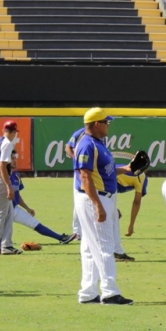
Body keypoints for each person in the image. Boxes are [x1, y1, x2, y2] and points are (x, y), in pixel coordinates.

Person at [73, 107, 133, 305]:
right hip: (95, 198)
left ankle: (88, 293)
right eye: (106, 122)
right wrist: (98, 205)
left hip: (99, 196)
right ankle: (109, 292)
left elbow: (103, 171)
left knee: (90, 248)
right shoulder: (87, 145)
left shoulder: (97, 143)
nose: (108, 125)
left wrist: (126, 169)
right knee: (105, 246)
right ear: (96, 124)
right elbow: (85, 176)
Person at [0, 150, 76, 246]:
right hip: (1, 209)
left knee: (35, 224)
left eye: (15, 158)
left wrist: (27, 208)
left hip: (14, 209)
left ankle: (61, 238)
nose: (14, 160)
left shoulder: (16, 175)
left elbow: (17, 195)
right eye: (12, 158)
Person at [0, 120, 22, 255]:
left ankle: (6, 245)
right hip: (0, 179)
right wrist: (8, 185)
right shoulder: (7, 143)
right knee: (2, 214)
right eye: (15, 133)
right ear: (13, 132)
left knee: (8, 212)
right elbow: (2, 165)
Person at [112, 169, 148, 262]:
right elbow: (137, 202)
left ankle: (112, 251)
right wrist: (131, 225)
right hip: (105, 184)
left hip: (99, 183)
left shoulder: (126, 169)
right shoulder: (141, 176)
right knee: (113, 214)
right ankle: (116, 252)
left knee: (112, 215)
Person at [65, 126, 86, 241]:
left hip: (94, 172)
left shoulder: (101, 136)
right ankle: (77, 231)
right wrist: (75, 158)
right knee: (79, 199)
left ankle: (87, 230)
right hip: (80, 171)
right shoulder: (80, 133)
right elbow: (67, 147)